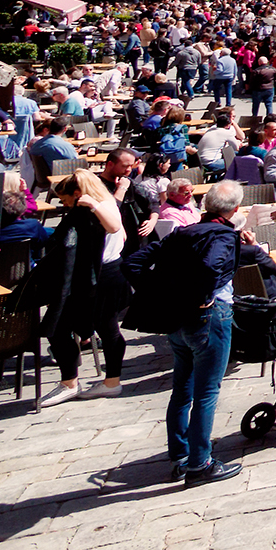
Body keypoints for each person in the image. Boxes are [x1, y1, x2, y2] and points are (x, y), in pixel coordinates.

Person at [124, 181, 246, 486]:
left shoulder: (182, 232)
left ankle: (180, 456)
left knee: (182, 388)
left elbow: (133, 263)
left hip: (176, 318)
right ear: (234, 210)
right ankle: (200, 463)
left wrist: (162, 293)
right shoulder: (223, 235)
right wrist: (201, 297)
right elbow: (210, 267)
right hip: (207, 316)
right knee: (206, 391)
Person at [35, 171, 132, 407]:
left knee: (65, 327)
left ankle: (77, 383)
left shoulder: (99, 206)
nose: (65, 205)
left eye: (66, 200)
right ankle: (107, 381)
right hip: (108, 272)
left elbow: (115, 227)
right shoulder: (107, 202)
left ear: (78, 193)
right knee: (106, 328)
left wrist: (93, 206)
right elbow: (123, 235)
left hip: (102, 276)